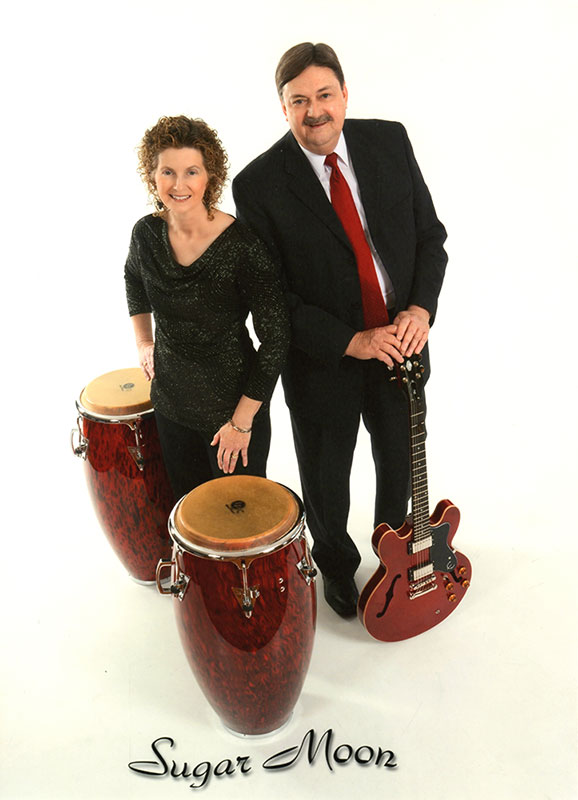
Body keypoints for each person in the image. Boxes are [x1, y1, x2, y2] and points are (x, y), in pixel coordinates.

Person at [232, 43, 448, 617]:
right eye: (299, 100)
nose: (315, 111)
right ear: (283, 108)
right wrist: (352, 341)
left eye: (325, 95)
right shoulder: (258, 185)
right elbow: (271, 299)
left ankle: (392, 558)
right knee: (326, 476)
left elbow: (431, 238)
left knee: (400, 461)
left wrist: (420, 310)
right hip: (323, 359)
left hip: (401, 345)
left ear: (345, 95)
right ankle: (334, 564)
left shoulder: (389, 141)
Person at [125, 115, 290, 501]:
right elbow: (133, 278)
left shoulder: (243, 246)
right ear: (152, 175)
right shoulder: (145, 234)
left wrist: (242, 423)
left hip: (231, 416)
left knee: (238, 525)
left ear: (209, 176)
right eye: (168, 172)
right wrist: (144, 342)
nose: (178, 185)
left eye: (191, 172)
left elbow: (276, 340)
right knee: (189, 517)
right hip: (170, 407)